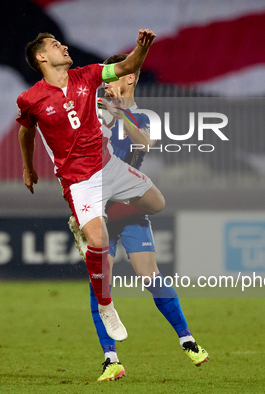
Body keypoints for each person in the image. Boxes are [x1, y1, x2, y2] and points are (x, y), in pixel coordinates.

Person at [17, 30, 165, 346]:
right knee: (100, 241)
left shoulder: (88, 75)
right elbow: (25, 132)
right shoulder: (31, 99)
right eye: (56, 45)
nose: (65, 45)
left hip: (108, 165)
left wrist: (142, 48)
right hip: (78, 181)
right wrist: (28, 167)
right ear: (42, 57)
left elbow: (125, 68)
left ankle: (91, 224)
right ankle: (106, 305)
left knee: (157, 202)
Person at [69, 54, 209, 382]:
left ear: (130, 78)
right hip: (99, 207)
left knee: (150, 276)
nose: (108, 80)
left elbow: (143, 143)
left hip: (128, 208)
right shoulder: (94, 108)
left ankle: (187, 339)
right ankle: (110, 359)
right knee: (100, 280)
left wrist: (121, 112)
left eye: (116, 75)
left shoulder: (142, 116)